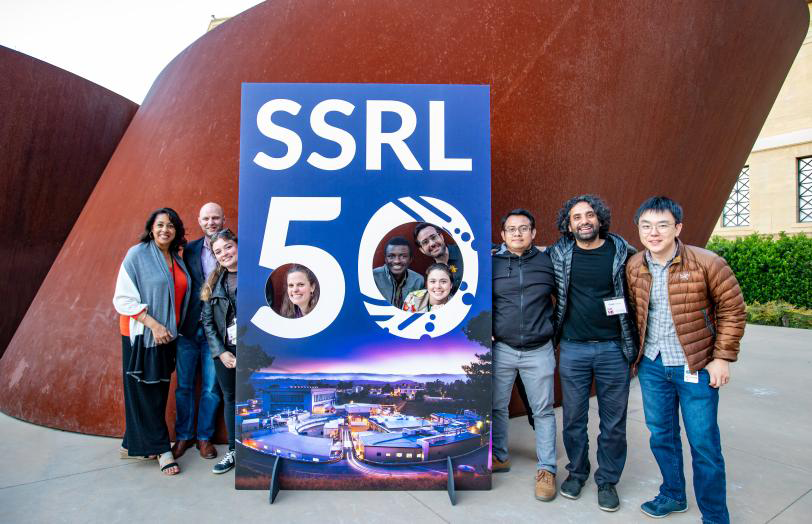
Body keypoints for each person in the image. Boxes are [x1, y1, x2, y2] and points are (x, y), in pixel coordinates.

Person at [626, 196, 745, 523]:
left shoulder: (707, 262)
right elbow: (635, 312)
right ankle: (673, 494)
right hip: (652, 365)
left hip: (695, 365)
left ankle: (715, 516)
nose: (654, 233)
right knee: (661, 435)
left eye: (662, 225)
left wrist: (722, 358)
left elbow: (733, 310)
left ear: (678, 228)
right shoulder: (634, 266)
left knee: (704, 444)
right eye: (646, 226)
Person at [548, 195, 638, 512]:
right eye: (576, 217)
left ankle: (607, 480)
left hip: (614, 348)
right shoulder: (559, 253)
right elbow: (526, 255)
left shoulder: (622, 251)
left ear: (599, 219)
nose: (584, 221)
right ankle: (577, 472)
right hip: (573, 348)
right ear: (568, 224)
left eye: (589, 215)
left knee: (613, 422)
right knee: (573, 418)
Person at [113, 208, 191, 476]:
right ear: (151, 228)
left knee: (155, 390)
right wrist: (154, 325)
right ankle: (162, 450)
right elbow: (123, 299)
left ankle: (132, 444)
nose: (165, 230)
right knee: (148, 392)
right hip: (143, 335)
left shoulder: (176, 258)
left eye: (170, 226)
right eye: (160, 225)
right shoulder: (137, 255)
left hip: (167, 336)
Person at [491, 208, 558, 502]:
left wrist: (551, 331)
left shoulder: (548, 262)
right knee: (497, 406)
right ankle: (499, 456)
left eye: (523, 228)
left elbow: (564, 299)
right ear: (502, 235)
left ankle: (547, 469)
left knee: (543, 411)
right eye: (511, 229)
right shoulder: (491, 264)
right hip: (502, 349)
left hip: (539, 349)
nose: (517, 233)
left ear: (533, 233)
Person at [173, 202, 225, 460]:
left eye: (215, 218)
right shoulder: (191, 249)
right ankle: (183, 436)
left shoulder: (231, 247)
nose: (211, 222)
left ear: (223, 220)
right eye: (206, 219)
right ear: (199, 221)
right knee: (184, 386)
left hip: (215, 330)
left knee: (211, 388)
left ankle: (204, 438)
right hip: (188, 328)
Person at [201, 229, 239, 474]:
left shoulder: (257, 276)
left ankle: (256, 451)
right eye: (218, 251)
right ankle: (233, 451)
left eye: (228, 247)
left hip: (251, 349)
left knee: (255, 397)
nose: (224, 253)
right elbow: (207, 321)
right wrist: (221, 352)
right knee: (230, 398)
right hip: (225, 351)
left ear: (237, 245)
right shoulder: (213, 282)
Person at [372, 236, 424, 308]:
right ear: (385, 259)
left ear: (410, 259)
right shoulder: (373, 277)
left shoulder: (418, 280)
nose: (397, 261)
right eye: (391, 256)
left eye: (403, 256)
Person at [414, 223, 464, 291]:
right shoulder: (431, 274)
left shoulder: (464, 252)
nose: (432, 243)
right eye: (425, 242)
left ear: (441, 237)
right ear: (422, 250)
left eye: (433, 237)